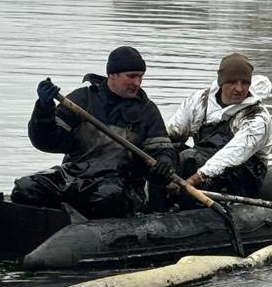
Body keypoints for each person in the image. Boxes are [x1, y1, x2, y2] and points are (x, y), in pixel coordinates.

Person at [10, 45, 177, 219]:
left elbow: (162, 151)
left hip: (120, 184)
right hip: (74, 175)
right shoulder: (81, 100)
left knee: (108, 197)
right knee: (26, 188)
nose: (137, 83)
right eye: (132, 76)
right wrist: (44, 110)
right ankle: (48, 222)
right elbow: (47, 142)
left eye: (141, 77)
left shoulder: (147, 111)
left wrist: (164, 164)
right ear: (112, 74)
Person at [166, 53, 272, 198]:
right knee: (167, 152)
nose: (239, 89)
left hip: (241, 177)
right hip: (200, 162)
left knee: (189, 158)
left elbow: (232, 155)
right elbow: (174, 132)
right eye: (232, 82)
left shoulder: (257, 117)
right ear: (221, 81)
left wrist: (192, 180)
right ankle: (155, 206)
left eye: (244, 83)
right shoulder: (200, 101)